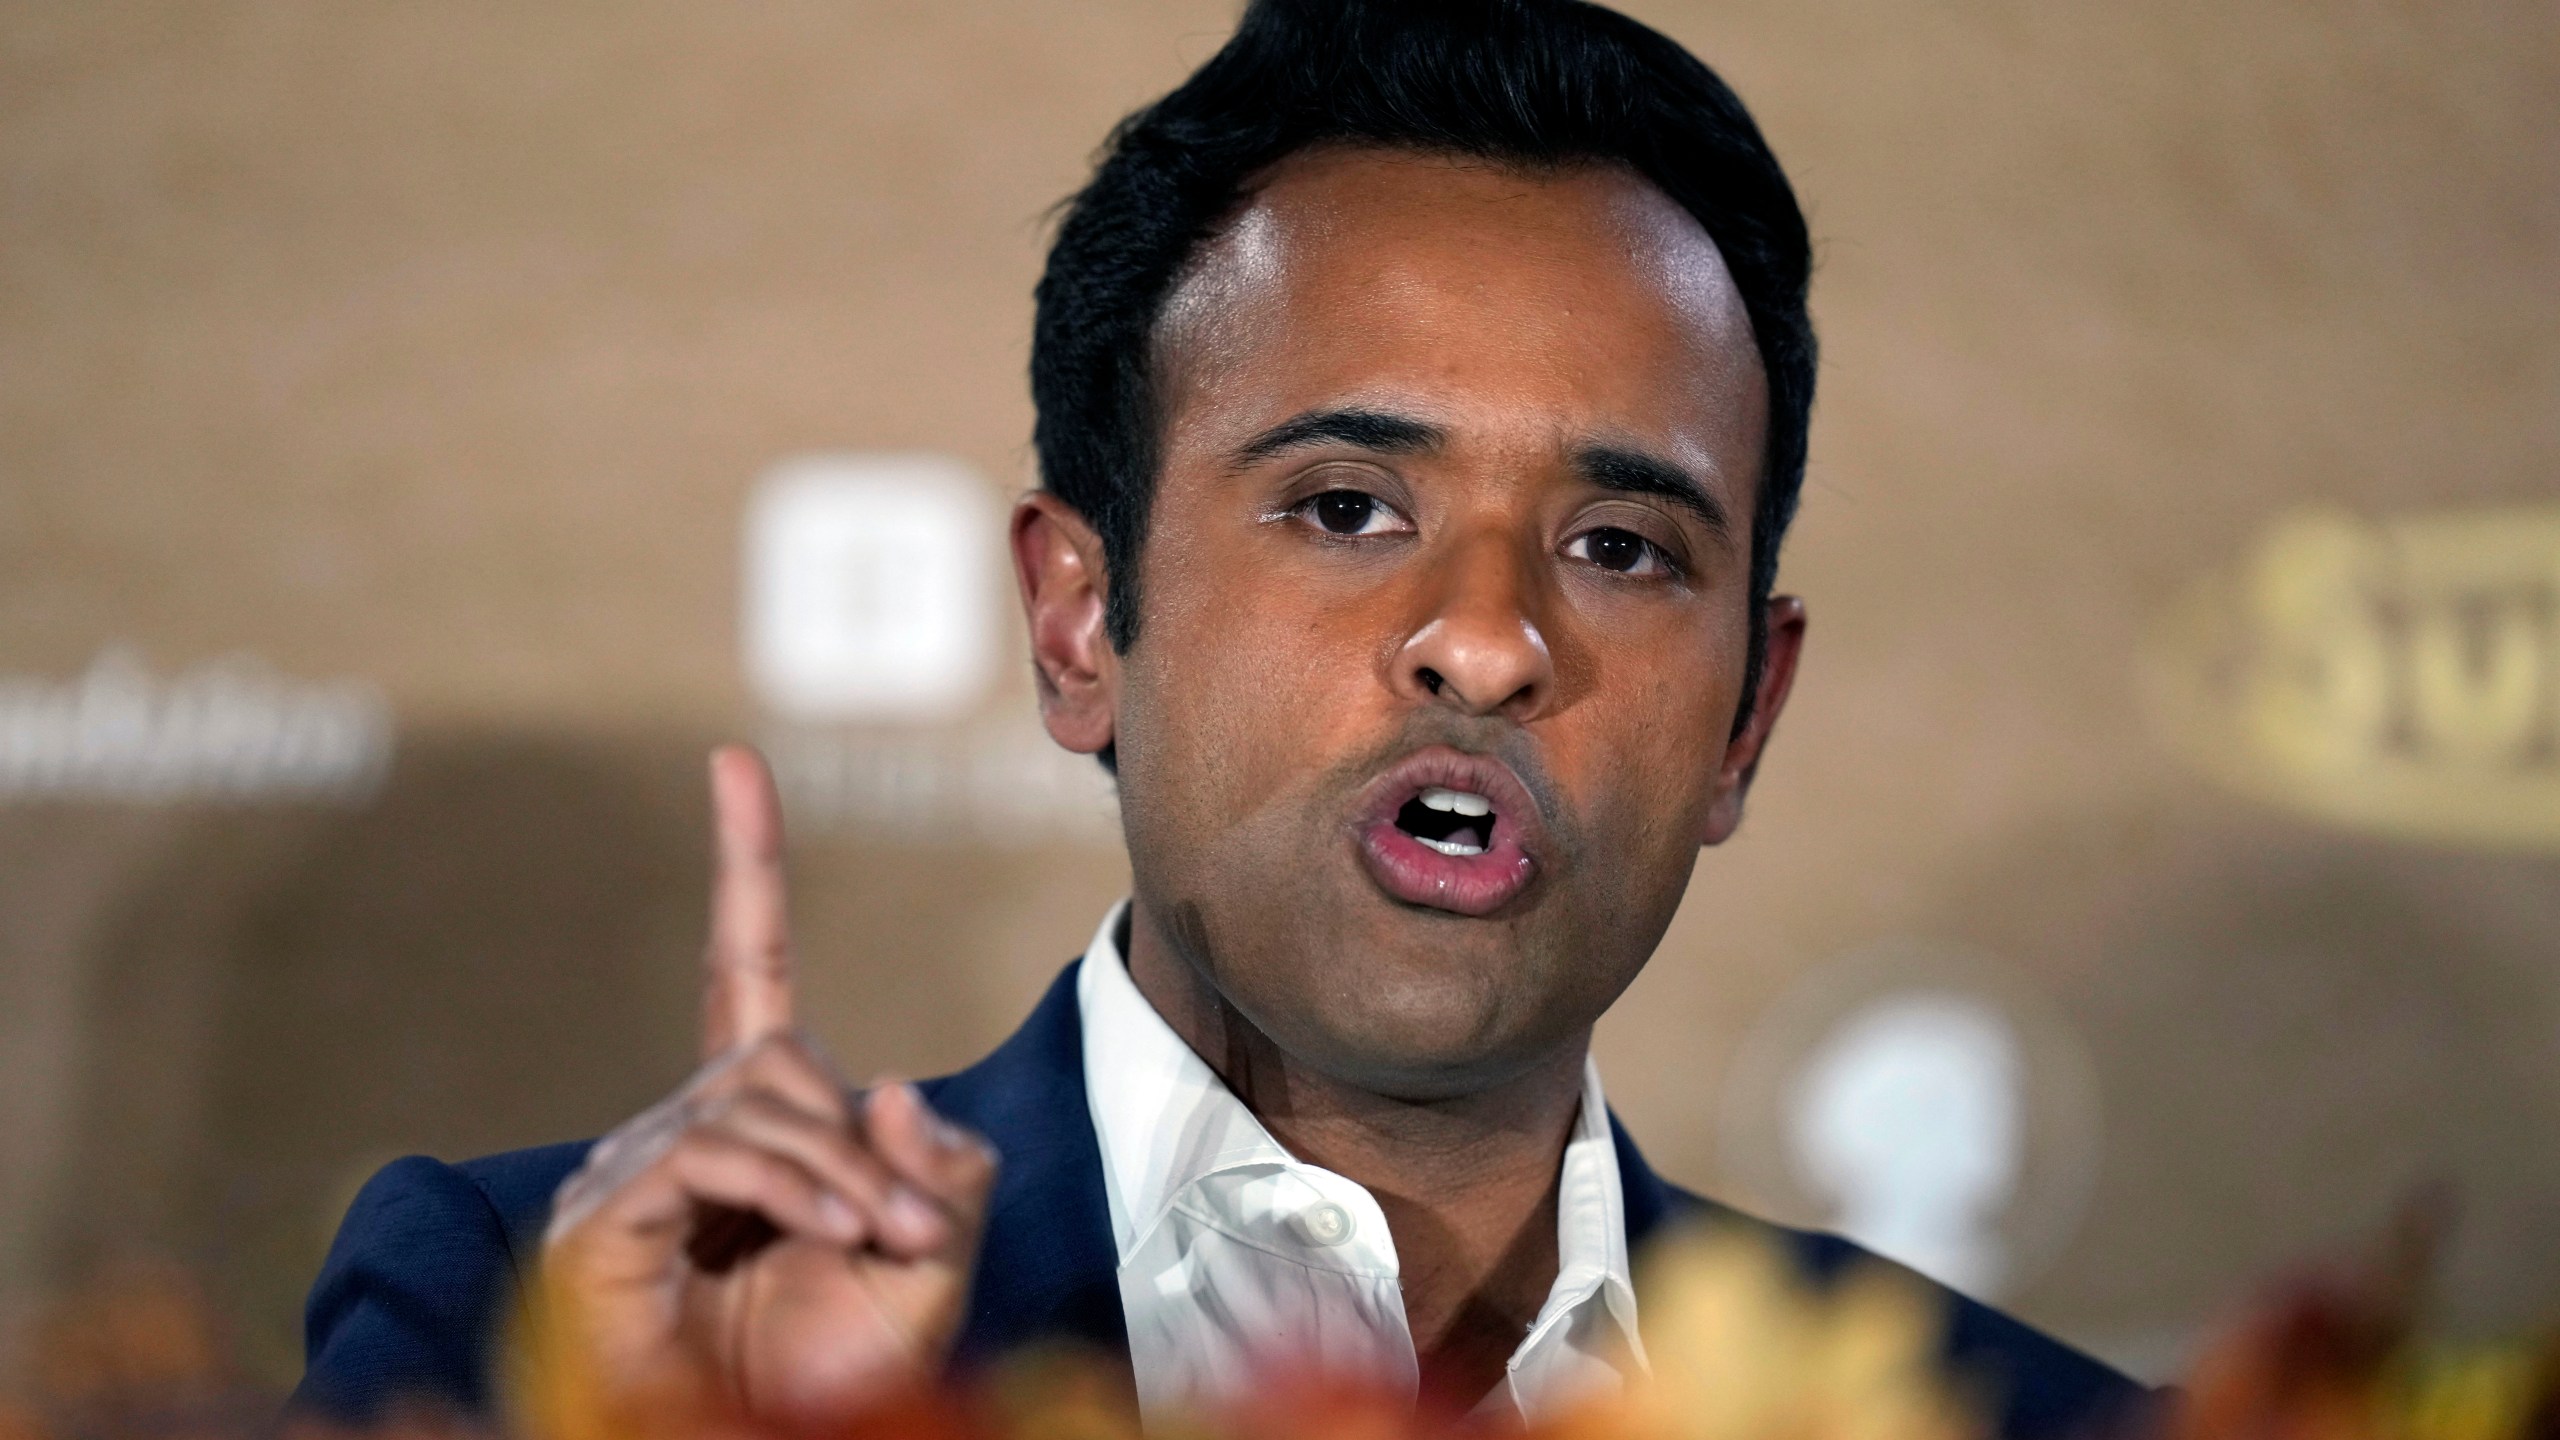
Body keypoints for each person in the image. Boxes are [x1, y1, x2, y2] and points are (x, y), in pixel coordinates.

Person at [294, 0, 2151, 1433]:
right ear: (1081, 614)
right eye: (1348, 507)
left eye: (1619, 543)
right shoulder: (538, 1331)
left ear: (1748, 713)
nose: (1488, 642)